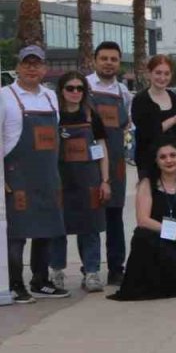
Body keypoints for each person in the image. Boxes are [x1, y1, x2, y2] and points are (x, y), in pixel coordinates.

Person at [3, 46, 69, 302]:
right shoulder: (4, 97)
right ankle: (15, 284)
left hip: (47, 175)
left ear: (44, 68)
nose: (32, 68)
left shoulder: (51, 97)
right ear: (18, 67)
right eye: (27, 63)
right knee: (17, 234)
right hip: (16, 176)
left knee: (46, 229)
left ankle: (40, 280)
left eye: (37, 64)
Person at [108, 137, 176, 301]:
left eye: (173, 155)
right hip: (157, 241)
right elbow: (143, 220)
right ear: (156, 161)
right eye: (163, 157)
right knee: (142, 235)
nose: (169, 160)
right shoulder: (147, 184)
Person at [49, 72, 111, 293]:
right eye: (70, 88)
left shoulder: (91, 115)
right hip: (60, 180)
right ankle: (56, 272)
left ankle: (92, 272)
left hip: (89, 180)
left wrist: (105, 180)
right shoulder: (53, 115)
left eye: (79, 88)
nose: (75, 92)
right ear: (61, 90)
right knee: (58, 228)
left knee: (91, 227)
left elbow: (102, 149)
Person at [87, 41, 131, 285]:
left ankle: (116, 268)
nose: (108, 63)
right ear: (95, 61)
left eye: (113, 59)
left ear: (119, 62)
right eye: (104, 58)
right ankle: (90, 268)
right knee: (90, 217)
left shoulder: (123, 92)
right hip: (86, 163)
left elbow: (127, 125)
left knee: (115, 216)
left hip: (115, 162)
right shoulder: (82, 86)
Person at [131, 55, 176, 179]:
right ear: (149, 73)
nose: (162, 78)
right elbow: (147, 132)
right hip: (148, 162)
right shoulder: (140, 100)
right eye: (158, 73)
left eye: (166, 73)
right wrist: (174, 120)